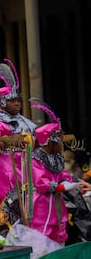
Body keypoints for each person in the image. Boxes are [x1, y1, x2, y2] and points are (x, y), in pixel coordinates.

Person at [0, 59, 37, 205]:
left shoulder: (24, 120)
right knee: (9, 212)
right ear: (3, 102)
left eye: (18, 100)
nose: (17, 103)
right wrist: (5, 141)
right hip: (5, 169)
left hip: (27, 166)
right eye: (13, 101)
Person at [27, 102, 81, 245]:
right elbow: (41, 183)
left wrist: (68, 182)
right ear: (49, 142)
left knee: (60, 230)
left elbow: (62, 174)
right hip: (41, 204)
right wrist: (61, 187)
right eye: (59, 141)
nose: (62, 144)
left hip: (56, 202)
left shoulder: (57, 157)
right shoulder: (35, 158)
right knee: (42, 235)